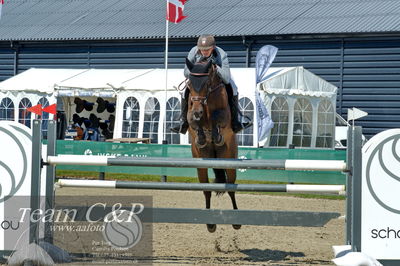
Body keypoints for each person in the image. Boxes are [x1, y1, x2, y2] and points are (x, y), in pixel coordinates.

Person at [171, 34, 252, 134]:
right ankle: (183, 123)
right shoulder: (193, 51)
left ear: (213, 47)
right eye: (202, 49)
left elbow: (226, 78)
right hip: (199, 78)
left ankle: (236, 122)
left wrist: (215, 67)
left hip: (217, 78)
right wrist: (198, 68)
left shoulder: (221, 54)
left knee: (234, 88)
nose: (204, 52)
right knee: (184, 91)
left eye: (207, 49)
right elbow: (186, 72)